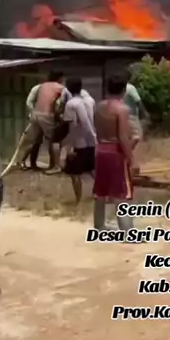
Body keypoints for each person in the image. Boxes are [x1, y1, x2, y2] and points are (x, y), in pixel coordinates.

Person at [93, 75, 135, 232]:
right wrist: (131, 159)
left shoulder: (99, 106)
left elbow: (97, 128)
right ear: (124, 90)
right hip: (115, 152)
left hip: (100, 149)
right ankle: (128, 231)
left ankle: (99, 225)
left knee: (100, 190)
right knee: (122, 192)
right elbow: (123, 137)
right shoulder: (122, 109)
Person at [17, 70, 65, 170]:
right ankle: (54, 165)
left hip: (36, 114)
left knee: (33, 140)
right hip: (47, 115)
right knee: (53, 140)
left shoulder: (41, 86)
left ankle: (22, 161)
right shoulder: (60, 88)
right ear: (60, 78)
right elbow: (61, 103)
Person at [62, 77, 96, 203]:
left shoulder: (71, 104)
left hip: (78, 143)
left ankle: (78, 200)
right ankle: (101, 193)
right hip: (91, 140)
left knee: (74, 173)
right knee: (92, 169)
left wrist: (69, 146)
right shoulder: (88, 101)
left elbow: (73, 125)